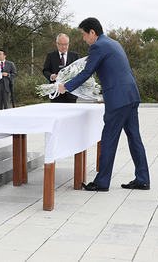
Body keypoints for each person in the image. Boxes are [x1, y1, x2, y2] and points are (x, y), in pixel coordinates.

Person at [58, 17, 150, 192]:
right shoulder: (113, 43)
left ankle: (102, 182)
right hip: (130, 95)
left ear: (92, 32)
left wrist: (66, 87)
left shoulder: (98, 46)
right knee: (134, 139)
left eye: (84, 35)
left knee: (108, 139)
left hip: (118, 99)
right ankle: (143, 179)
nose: (84, 39)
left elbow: (86, 72)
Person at [43, 33, 80, 103]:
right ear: (57, 43)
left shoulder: (75, 56)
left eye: (66, 44)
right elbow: (45, 70)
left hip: (71, 93)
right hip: (56, 93)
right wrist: (52, 76)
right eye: (61, 44)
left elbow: (79, 71)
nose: (64, 47)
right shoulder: (50, 56)